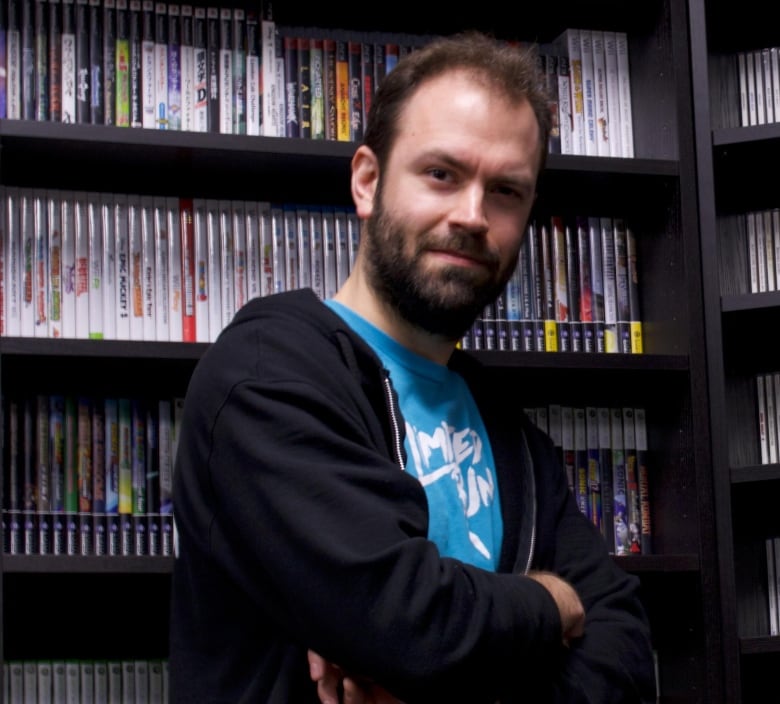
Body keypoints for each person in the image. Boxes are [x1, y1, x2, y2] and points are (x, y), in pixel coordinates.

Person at [169, 30, 656, 704]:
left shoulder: (506, 428)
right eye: (442, 174)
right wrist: (552, 603)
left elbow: (626, 660)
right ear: (367, 181)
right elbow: (406, 621)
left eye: (507, 191)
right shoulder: (267, 374)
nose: (473, 215)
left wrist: (437, 654)